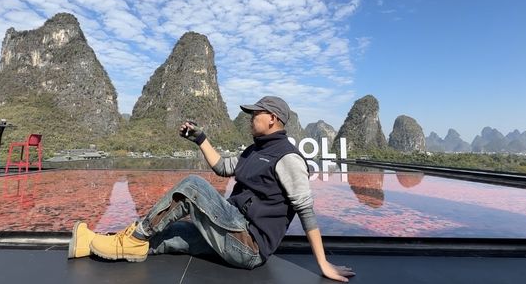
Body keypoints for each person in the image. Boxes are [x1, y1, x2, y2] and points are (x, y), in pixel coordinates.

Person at [68, 96, 355, 282]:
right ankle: (92, 243)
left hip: (248, 245)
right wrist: (200, 138)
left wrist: (324, 264)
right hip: (230, 229)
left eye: (255, 113)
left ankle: (133, 238)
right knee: (169, 234)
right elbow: (221, 167)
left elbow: (306, 211)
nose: (249, 117)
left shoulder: (288, 158)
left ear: (272, 119)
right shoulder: (255, 151)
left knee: (192, 186)